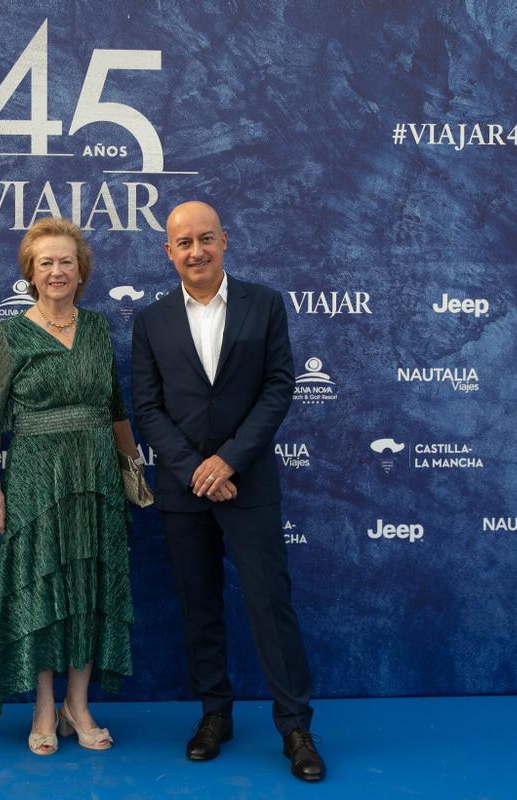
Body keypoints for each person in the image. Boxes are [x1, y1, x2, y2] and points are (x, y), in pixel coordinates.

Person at [131, 201, 326, 782]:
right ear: (169, 252)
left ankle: (295, 726)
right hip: (184, 488)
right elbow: (148, 406)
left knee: (270, 603)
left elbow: (278, 387)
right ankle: (215, 713)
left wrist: (227, 460)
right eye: (184, 243)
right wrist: (196, 467)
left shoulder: (264, 304)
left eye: (206, 239)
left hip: (248, 483)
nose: (196, 251)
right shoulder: (151, 320)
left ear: (225, 241)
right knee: (200, 607)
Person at [0, 217, 140, 756]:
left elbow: (115, 408)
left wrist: (132, 470)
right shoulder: (10, 335)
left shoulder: (97, 328)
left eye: (65, 261)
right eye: (45, 262)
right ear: (30, 271)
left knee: (89, 588)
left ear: (80, 270)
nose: (56, 271)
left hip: (95, 475)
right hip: (35, 477)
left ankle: (78, 701)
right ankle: (44, 705)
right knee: (45, 588)